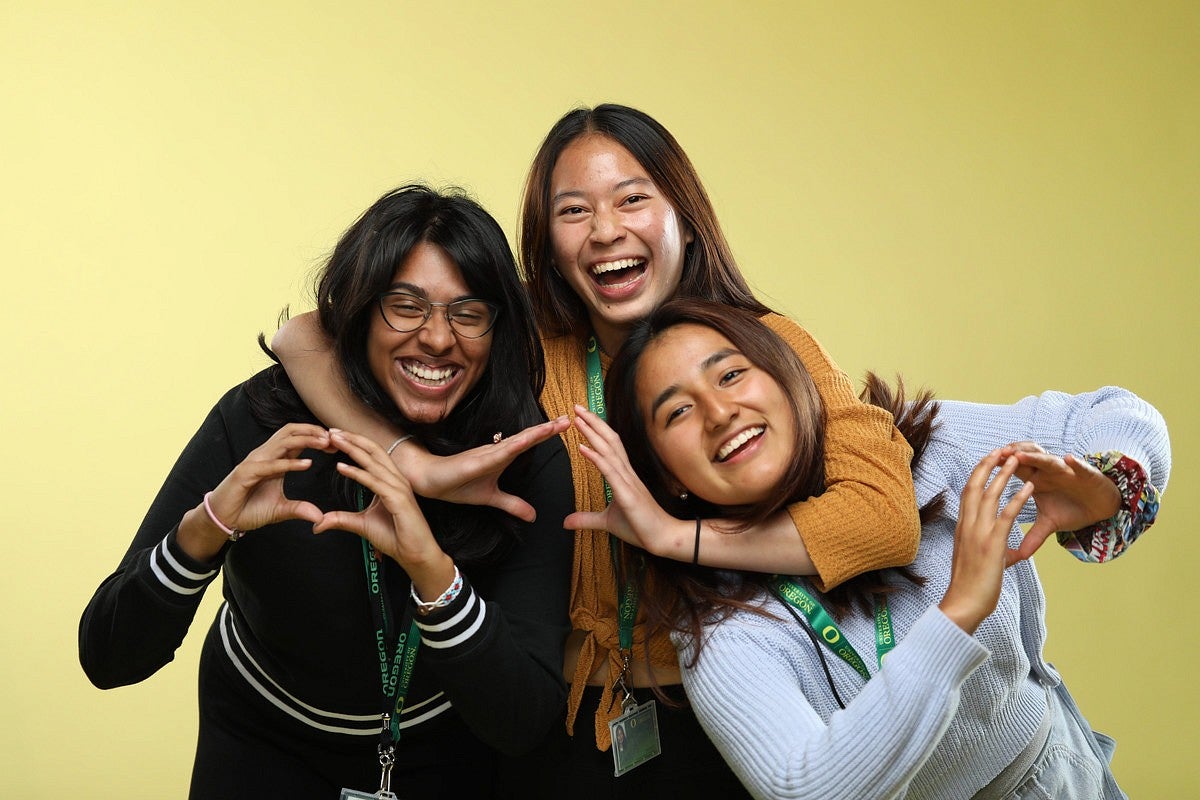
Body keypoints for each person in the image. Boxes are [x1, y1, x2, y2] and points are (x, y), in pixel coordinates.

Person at [272, 104, 920, 795]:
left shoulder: (766, 348)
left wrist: (680, 538)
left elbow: (884, 516)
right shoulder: (527, 342)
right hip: (556, 718)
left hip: (739, 711)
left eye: (633, 199)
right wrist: (414, 462)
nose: (606, 230)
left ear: (685, 218)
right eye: (573, 211)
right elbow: (305, 337)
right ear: (547, 244)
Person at [78, 185, 574, 799]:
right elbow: (108, 655)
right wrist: (202, 533)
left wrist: (432, 572)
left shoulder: (521, 460)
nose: (438, 339)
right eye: (405, 305)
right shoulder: (262, 420)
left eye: (467, 313)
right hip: (259, 742)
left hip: (444, 754)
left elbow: (523, 720)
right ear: (361, 311)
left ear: (497, 328)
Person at [574, 298, 1168, 799]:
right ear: (666, 475)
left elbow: (1117, 414)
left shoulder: (917, 452)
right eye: (677, 410)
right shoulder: (719, 623)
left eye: (730, 375)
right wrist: (956, 615)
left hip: (1060, 774)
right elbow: (802, 786)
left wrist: (1106, 486)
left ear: (788, 378)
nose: (720, 412)